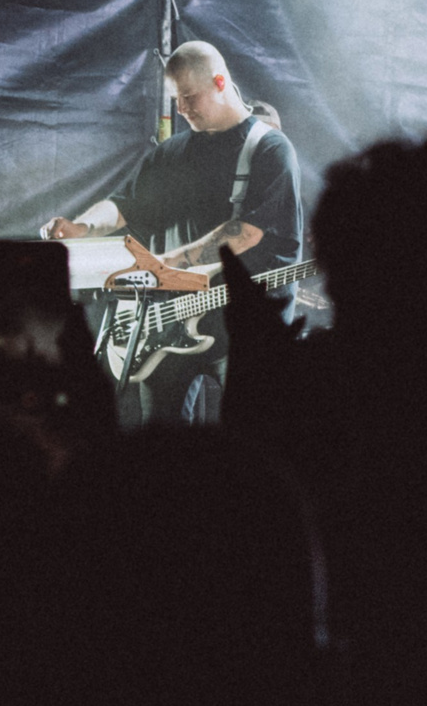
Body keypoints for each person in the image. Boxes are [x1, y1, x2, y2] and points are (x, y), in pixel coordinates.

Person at [46, 41, 300, 421]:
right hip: (169, 324)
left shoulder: (270, 149)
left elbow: (246, 232)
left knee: (250, 437)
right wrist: (83, 226)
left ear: (220, 82)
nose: (180, 108)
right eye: (175, 98)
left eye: (188, 96)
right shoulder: (172, 153)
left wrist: (167, 263)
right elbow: (124, 204)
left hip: (246, 328)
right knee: (160, 443)